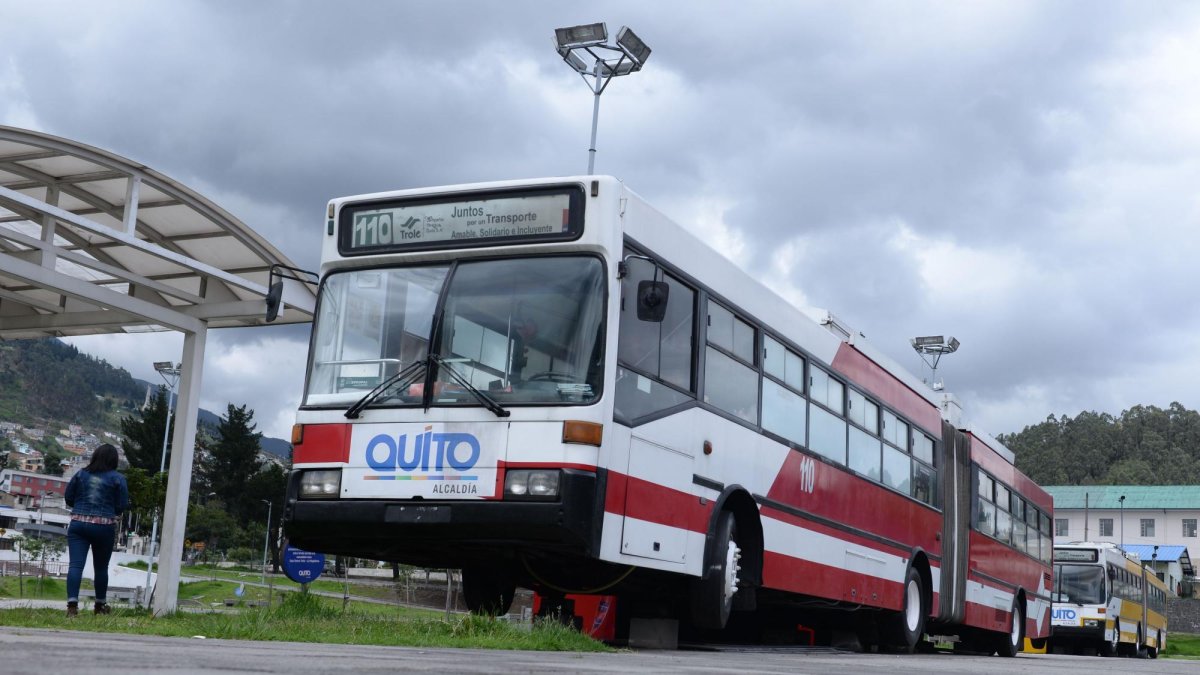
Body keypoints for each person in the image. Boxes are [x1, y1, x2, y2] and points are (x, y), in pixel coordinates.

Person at [63, 444, 129, 617]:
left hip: (78, 524)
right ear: (114, 460)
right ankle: (99, 606)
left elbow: (69, 498)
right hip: (104, 526)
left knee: (76, 565)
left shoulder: (80, 474)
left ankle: (72, 606)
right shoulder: (118, 478)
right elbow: (121, 505)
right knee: (101, 568)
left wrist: (80, 506)